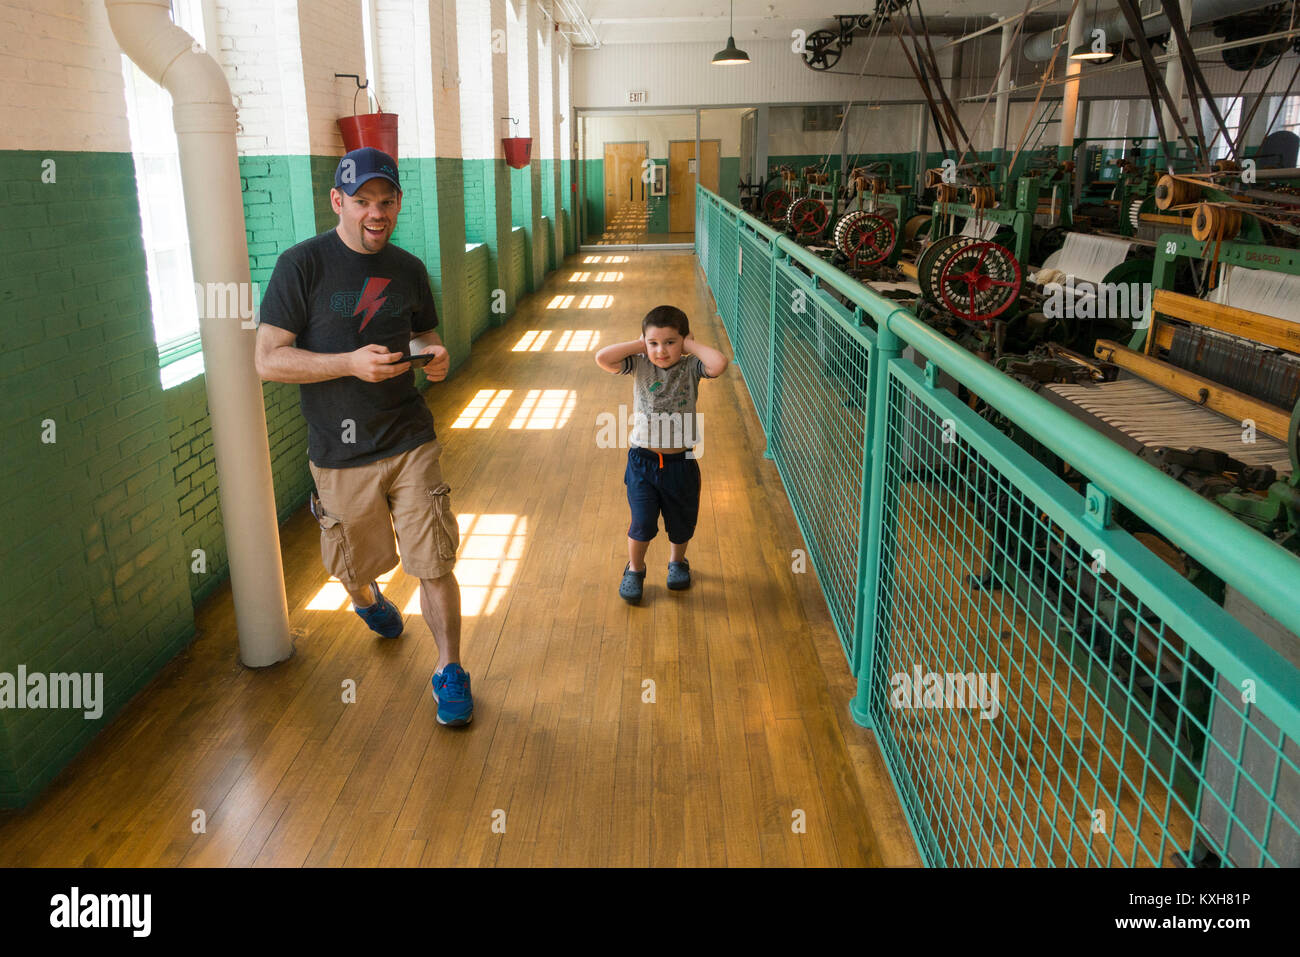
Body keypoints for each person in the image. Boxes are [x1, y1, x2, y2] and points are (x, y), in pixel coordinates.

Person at [254, 147, 472, 727]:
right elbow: (269, 360)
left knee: (434, 561)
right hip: (339, 450)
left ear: (398, 202)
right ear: (337, 202)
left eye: (386, 201)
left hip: (409, 438)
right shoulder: (300, 267)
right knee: (353, 565)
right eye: (362, 202)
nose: (376, 213)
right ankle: (368, 600)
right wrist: (348, 363)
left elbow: (423, 333)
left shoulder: (407, 268)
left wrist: (435, 354)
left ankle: (450, 669)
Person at [594, 305, 729, 604]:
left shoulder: (691, 367)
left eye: (670, 342)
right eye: (654, 343)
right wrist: (640, 344)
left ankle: (677, 562)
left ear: (683, 341)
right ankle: (635, 569)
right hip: (643, 460)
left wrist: (690, 345)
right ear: (644, 342)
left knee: (681, 522)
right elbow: (602, 358)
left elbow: (719, 364)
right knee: (642, 522)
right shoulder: (640, 363)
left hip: (681, 462)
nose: (662, 350)